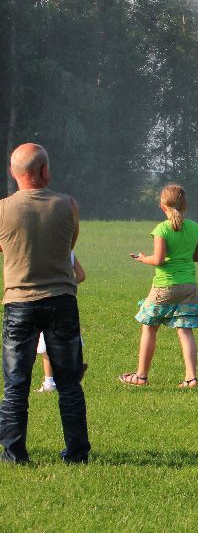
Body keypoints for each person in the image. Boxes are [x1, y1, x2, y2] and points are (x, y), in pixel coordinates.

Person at [0, 143, 90, 463]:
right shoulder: (68, 205)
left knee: (15, 385)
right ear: (45, 171)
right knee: (69, 384)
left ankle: (14, 453)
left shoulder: (3, 209)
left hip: (19, 303)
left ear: (13, 173)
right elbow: (69, 245)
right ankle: (77, 453)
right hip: (61, 301)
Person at [121, 184, 198, 388]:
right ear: (185, 205)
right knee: (185, 330)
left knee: (149, 327)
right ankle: (191, 378)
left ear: (162, 206)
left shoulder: (162, 229)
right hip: (188, 285)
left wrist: (143, 258)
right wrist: (183, 254)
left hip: (165, 286)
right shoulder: (195, 228)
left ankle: (141, 376)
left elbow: (158, 259)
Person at [35, 252, 86, 393]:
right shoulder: (69, 251)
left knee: (46, 343)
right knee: (67, 337)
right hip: (67, 300)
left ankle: (49, 382)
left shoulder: (43, 249)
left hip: (47, 299)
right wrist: (67, 285)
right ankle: (73, 370)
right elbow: (81, 275)